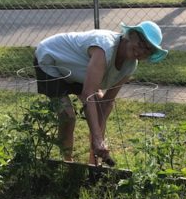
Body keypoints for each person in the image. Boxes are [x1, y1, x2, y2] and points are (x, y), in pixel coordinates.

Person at [34, 21, 168, 166]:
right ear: (131, 35)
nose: (141, 51)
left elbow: (107, 101)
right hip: (51, 60)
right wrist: (97, 137)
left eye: (148, 50)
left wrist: (99, 135)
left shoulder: (130, 65)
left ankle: (94, 163)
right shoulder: (105, 48)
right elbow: (88, 94)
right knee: (67, 116)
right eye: (141, 44)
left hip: (77, 71)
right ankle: (67, 164)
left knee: (99, 108)